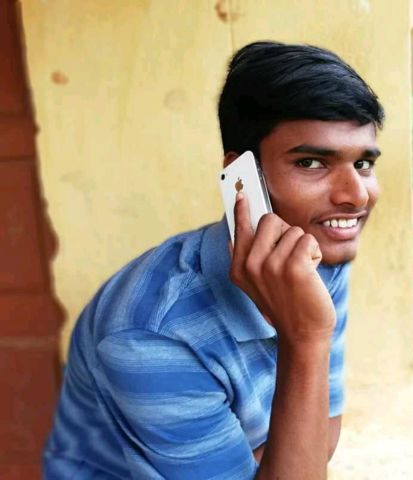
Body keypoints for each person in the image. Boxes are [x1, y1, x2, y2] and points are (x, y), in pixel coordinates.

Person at [43, 41, 384, 479]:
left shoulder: (317, 255)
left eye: (363, 163)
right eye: (311, 162)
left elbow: (321, 440)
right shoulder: (151, 336)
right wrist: (307, 339)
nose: (355, 196)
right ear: (242, 180)